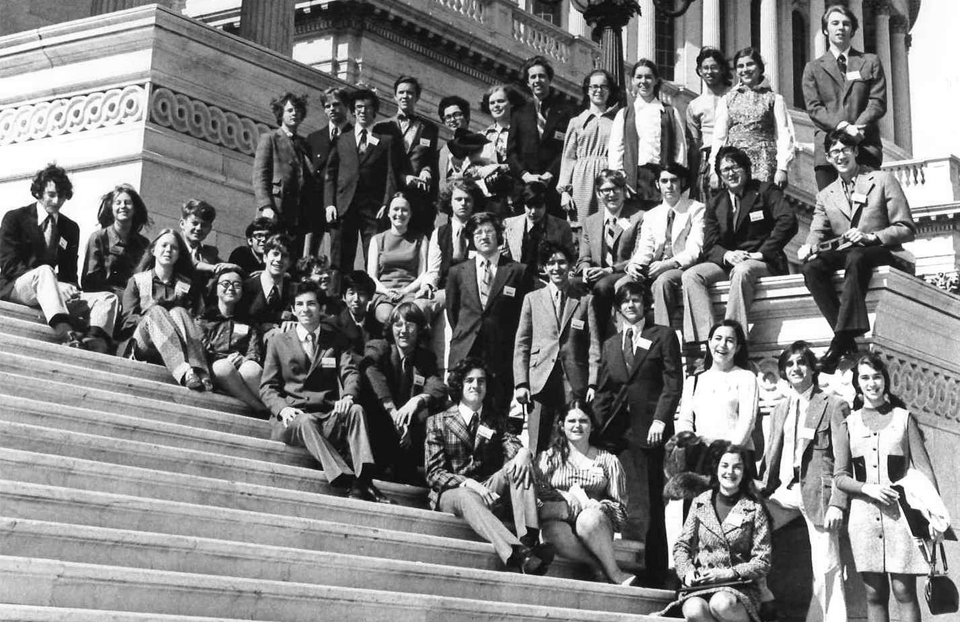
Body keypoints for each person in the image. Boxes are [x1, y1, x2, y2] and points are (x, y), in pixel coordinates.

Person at [835, 353, 946, 622]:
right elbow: (839, 476)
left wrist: (935, 517)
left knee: (904, 590)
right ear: (857, 384)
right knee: (874, 594)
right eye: (865, 378)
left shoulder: (903, 419)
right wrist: (866, 488)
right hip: (864, 521)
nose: (871, 383)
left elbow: (924, 470)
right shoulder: (848, 424)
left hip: (903, 518)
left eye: (877, 376)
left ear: (885, 380)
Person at [260, 280, 391, 503]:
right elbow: (267, 387)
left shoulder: (336, 340)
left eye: (311, 304)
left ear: (321, 309)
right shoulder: (279, 342)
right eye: (299, 304)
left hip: (327, 416)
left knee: (356, 410)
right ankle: (346, 479)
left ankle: (364, 477)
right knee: (306, 421)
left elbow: (350, 372)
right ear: (293, 309)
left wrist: (348, 396)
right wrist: (282, 409)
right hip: (294, 419)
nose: (305, 309)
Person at [798, 131, 915, 373]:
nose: (840, 156)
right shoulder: (825, 194)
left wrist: (871, 237)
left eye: (844, 150)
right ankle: (846, 341)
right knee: (812, 267)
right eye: (834, 153)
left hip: (881, 249)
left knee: (856, 255)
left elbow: (906, 228)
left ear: (856, 152)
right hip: (849, 253)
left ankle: (839, 342)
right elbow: (817, 230)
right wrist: (808, 246)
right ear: (828, 159)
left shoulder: (882, 180)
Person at [424, 357, 554, 574]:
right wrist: (470, 484)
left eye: (481, 381)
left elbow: (512, 445)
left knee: (518, 465)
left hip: (488, 490)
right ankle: (518, 552)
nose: (476, 386)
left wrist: (523, 453)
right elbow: (434, 473)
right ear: (460, 385)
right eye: (470, 381)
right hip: (453, 493)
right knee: (466, 496)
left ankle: (529, 537)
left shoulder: (495, 420)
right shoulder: (438, 421)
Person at [593, 280, 682, 585]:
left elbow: (673, 384)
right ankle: (626, 566)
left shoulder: (663, 336)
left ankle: (654, 573)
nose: (631, 305)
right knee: (626, 500)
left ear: (646, 305)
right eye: (626, 302)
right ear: (618, 309)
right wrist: (596, 433)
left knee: (651, 503)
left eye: (636, 300)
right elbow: (604, 391)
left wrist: (661, 420)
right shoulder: (611, 344)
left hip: (651, 432)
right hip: (619, 436)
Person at [758, 341, 849, 622]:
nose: (795, 368)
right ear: (784, 372)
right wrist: (761, 485)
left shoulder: (833, 404)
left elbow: (842, 459)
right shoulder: (780, 408)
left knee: (826, 566)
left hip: (818, 494)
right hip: (784, 492)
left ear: (812, 368)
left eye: (801, 362)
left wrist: (838, 502)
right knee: (746, 528)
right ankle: (754, 603)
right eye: (789, 364)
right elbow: (771, 452)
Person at [681, 146, 797, 347]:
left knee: (742, 270)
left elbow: (788, 221)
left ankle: (733, 338)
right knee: (691, 276)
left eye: (735, 167)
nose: (730, 173)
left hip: (762, 262)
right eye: (725, 170)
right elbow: (709, 244)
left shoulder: (765, 191)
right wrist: (727, 255)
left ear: (746, 169)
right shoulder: (716, 203)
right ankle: (707, 342)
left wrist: (761, 254)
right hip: (728, 262)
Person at [0, 164, 119, 353]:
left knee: (107, 298)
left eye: (62, 196)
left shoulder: (70, 228)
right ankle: (66, 333)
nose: (56, 201)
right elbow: (10, 266)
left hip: (51, 291)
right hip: (17, 287)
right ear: (39, 193)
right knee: (46, 271)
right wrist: (54, 283)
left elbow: (69, 272)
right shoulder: (15, 218)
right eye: (51, 194)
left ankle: (95, 342)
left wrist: (69, 286)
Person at [666, 442, 772, 622]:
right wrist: (688, 573)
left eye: (737, 467)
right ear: (716, 469)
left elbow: (762, 560)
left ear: (744, 472)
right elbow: (682, 546)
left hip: (738, 586)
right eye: (725, 466)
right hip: (702, 585)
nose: (730, 472)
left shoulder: (754, 509)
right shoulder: (701, 503)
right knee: (693, 609)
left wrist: (728, 573)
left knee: (721, 603)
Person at [514, 241, 600, 454]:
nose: (556, 267)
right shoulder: (532, 299)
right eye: (551, 263)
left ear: (570, 266)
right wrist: (521, 383)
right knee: (538, 443)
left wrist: (592, 382)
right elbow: (522, 344)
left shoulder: (584, 300)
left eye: (562, 262)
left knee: (573, 440)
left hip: (573, 380)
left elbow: (594, 344)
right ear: (544, 268)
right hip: (539, 379)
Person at [536, 401, 635, 585]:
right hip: (561, 521)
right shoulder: (547, 459)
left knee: (587, 519)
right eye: (571, 421)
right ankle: (596, 565)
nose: (577, 426)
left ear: (592, 426)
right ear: (561, 425)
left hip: (596, 526)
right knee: (551, 531)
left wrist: (602, 507)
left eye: (583, 421)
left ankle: (614, 572)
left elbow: (622, 511)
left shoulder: (608, 460)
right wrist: (560, 496)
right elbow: (537, 499)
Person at [445, 212, 531, 413]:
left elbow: (523, 314)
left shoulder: (517, 271)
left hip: (501, 352)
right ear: (471, 238)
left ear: (498, 235)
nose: (484, 236)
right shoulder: (457, 272)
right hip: (466, 347)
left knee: (496, 411)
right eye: (478, 233)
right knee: (463, 411)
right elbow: (453, 311)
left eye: (489, 231)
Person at [802, 4, 887, 191]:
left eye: (846, 24)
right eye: (835, 23)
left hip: (864, 147)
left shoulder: (870, 62)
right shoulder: (813, 68)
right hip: (828, 152)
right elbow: (814, 108)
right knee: (834, 212)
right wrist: (844, 127)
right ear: (825, 29)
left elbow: (877, 102)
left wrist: (857, 128)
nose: (840, 27)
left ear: (853, 30)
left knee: (868, 211)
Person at [361, 302, 446, 484]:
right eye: (398, 324)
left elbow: (438, 386)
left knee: (431, 413)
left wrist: (417, 400)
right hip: (380, 425)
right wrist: (395, 415)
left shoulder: (425, 357)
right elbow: (371, 371)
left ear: (420, 329)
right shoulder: (379, 347)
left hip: (407, 433)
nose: (403, 330)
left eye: (410, 325)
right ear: (391, 328)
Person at [118, 229, 210, 390]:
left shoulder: (187, 285)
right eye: (164, 245)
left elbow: (197, 319)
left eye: (173, 247)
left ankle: (201, 372)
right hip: (144, 344)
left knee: (180, 312)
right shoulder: (137, 281)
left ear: (179, 254)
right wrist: (159, 321)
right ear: (153, 250)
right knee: (157, 311)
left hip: (179, 343)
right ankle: (186, 372)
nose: (168, 250)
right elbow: (127, 321)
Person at [324, 88, 402, 273]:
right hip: (343, 207)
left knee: (373, 257)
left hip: (373, 208)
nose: (363, 111)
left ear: (374, 111)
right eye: (358, 107)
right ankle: (337, 299)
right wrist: (329, 204)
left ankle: (371, 297)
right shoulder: (342, 139)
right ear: (352, 111)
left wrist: (387, 202)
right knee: (339, 258)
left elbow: (391, 175)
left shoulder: (385, 141)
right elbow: (330, 174)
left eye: (367, 107)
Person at [623, 163, 705, 327]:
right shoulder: (651, 215)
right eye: (664, 181)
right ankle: (628, 337)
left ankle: (662, 336)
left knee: (662, 281)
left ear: (681, 183)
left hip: (681, 267)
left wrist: (668, 264)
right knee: (622, 284)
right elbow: (645, 248)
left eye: (673, 180)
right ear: (657, 184)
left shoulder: (696, 209)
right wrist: (634, 265)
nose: (669, 186)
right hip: (654, 267)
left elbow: (695, 249)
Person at [709, 48, 796, 189]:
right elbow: (719, 136)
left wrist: (782, 168)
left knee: (761, 204)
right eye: (740, 66)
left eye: (750, 64)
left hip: (765, 161)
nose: (745, 70)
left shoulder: (774, 99)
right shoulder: (728, 99)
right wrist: (714, 170)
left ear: (759, 67)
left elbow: (784, 134)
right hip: (735, 164)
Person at [608, 59, 687, 206]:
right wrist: (620, 180)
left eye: (648, 77)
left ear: (656, 80)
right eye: (639, 77)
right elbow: (616, 150)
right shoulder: (624, 114)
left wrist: (677, 178)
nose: (643, 81)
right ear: (632, 81)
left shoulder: (670, 112)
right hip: (633, 179)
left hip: (662, 177)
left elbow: (680, 147)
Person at [575, 169, 643, 338]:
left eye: (616, 189)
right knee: (572, 285)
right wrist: (585, 270)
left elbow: (638, 256)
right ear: (598, 194)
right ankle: (577, 343)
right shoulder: (591, 221)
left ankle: (605, 340)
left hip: (622, 273)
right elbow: (584, 258)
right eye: (606, 190)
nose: (611, 194)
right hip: (596, 274)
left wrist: (609, 270)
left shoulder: (638, 217)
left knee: (603, 286)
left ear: (623, 191)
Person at [676, 320, 759, 452]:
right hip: (701, 456)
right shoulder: (693, 381)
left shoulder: (746, 378)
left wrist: (728, 452)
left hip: (734, 456)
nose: (722, 345)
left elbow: (747, 421)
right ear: (709, 342)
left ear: (737, 348)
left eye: (730, 340)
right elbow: (685, 421)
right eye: (718, 338)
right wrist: (691, 446)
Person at [507, 56, 574, 216]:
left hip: (553, 189)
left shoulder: (565, 112)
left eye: (541, 76)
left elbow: (567, 149)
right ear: (528, 83)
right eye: (533, 77)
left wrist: (550, 174)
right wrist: (525, 175)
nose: (537, 80)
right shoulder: (519, 113)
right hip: (525, 189)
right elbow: (511, 152)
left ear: (549, 79)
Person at [253, 92, 319, 250]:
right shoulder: (270, 139)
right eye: (290, 110)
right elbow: (260, 176)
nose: (294, 113)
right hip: (275, 210)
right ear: (281, 113)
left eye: (297, 110)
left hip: (297, 215)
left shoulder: (304, 144)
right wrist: (266, 207)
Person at [557, 69, 621, 226]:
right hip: (582, 179)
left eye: (603, 86)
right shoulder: (577, 122)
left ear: (609, 90)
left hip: (607, 177)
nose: (598, 90)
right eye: (594, 87)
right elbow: (569, 157)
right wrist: (564, 191)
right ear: (587, 90)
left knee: (608, 226)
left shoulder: (618, 120)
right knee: (581, 227)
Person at [199, 266, 267, 412]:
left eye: (237, 285)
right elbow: (202, 350)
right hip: (217, 370)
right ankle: (261, 408)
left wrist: (245, 359)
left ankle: (273, 404)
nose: (231, 288)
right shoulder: (204, 320)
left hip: (241, 369)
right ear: (216, 289)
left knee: (251, 368)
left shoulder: (249, 322)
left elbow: (254, 350)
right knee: (223, 367)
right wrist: (223, 359)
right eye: (225, 284)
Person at [376, 76, 439, 234]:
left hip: (418, 197)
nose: (405, 96)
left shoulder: (429, 128)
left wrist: (427, 170)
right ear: (395, 96)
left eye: (410, 93)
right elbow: (378, 163)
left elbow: (431, 158)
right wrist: (403, 178)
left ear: (417, 97)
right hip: (389, 196)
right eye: (401, 92)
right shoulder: (381, 128)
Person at [366, 193, 435, 324]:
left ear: (410, 214)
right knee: (386, 316)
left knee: (408, 316)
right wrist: (387, 292)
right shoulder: (377, 240)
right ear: (388, 213)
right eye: (396, 209)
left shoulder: (421, 239)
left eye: (404, 210)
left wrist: (404, 291)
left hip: (410, 292)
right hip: (384, 292)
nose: (400, 213)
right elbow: (372, 277)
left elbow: (422, 274)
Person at [81, 183, 151, 298]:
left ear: (135, 208)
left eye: (127, 203)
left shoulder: (143, 244)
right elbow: (89, 282)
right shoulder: (98, 238)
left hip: (133, 300)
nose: (123, 206)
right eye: (118, 203)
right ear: (111, 208)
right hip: (105, 298)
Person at [686, 47, 732, 202]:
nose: (709, 72)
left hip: (732, 156)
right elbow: (694, 144)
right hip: (706, 160)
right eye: (705, 68)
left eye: (714, 67)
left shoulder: (734, 97)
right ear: (699, 71)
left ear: (722, 69)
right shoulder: (695, 105)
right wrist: (693, 179)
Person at [502, 181, 574, 276]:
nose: (533, 212)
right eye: (529, 206)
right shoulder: (510, 224)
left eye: (538, 206)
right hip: (517, 280)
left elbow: (570, 260)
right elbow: (504, 260)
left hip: (549, 280)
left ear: (546, 205)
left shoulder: (562, 227)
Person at [479, 83, 525, 214]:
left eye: (501, 101)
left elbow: (525, 161)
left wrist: (500, 167)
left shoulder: (522, 133)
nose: (496, 106)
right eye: (492, 103)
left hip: (514, 196)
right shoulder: (482, 135)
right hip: (488, 198)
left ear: (511, 104)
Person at [239, 233, 294, 338]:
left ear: (290, 263)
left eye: (285, 256)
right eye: (275, 254)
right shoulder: (246, 288)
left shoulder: (294, 291)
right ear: (265, 257)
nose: (279, 259)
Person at [333, 270, 382, 356]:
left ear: (369, 297)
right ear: (344, 297)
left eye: (361, 293)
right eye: (351, 293)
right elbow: (327, 363)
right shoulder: (334, 325)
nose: (356, 299)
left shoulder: (377, 325)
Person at [179, 199, 226, 288]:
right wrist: (211, 268)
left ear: (210, 229)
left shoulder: (209, 254)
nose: (199, 228)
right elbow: (184, 261)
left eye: (204, 225)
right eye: (194, 223)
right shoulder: (169, 244)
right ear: (182, 223)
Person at [437, 95, 471, 188]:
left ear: (467, 116)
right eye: (448, 117)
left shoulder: (479, 143)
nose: (452, 120)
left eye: (456, 114)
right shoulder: (443, 151)